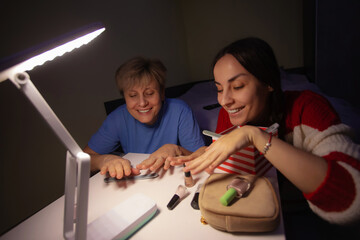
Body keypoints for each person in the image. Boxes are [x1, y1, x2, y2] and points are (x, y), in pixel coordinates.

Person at [170, 37, 360, 225]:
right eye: (219, 89)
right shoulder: (227, 114)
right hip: (254, 212)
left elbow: (351, 198)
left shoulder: (308, 107)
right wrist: (189, 155)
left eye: (237, 86)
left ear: (268, 82)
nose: (225, 101)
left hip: (305, 218)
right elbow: (229, 168)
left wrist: (255, 136)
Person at [84, 56, 205, 179]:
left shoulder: (180, 110)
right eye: (133, 95)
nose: (142, 103)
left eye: (149, 93)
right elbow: (83, 159)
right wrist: (103, 160)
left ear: (162, 93)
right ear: (124, 97)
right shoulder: (117, 119)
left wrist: (177, 149)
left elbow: (202, 157)